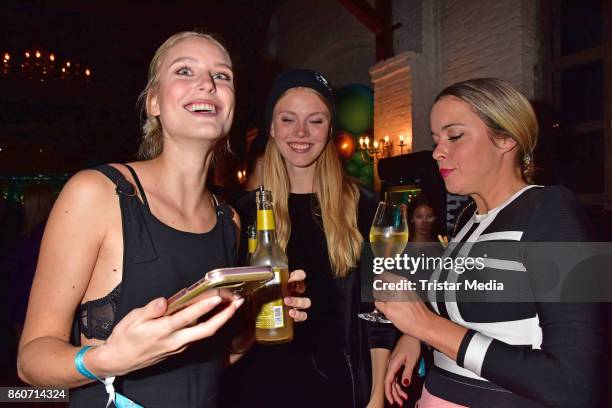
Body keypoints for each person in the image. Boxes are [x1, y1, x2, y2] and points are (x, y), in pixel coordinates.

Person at [17, 31, 310, 408]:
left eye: (222, 76)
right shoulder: (98, 193)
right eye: (185, 71)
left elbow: (212, 361)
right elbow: (30, 361)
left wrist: (260, 318)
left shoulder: (229, 220)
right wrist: (107, 360)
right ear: (153, 101)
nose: (207, 83)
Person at [376, 78, 606, 407]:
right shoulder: (468, 216)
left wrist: (427, 327)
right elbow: (467, 313)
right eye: (437, 139)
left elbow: (574, 384)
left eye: (454, 136)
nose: (438, 151)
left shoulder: (553, 211)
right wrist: (414, 337)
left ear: (506, 138)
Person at [229, 69, 386, 407]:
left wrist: (375, 398)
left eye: (315, 121)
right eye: (288, 119)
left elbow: (379, 312)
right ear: (271, 127)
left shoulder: (365, 208)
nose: (301, 132)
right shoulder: (240, 215)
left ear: (330, 130)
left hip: (341, 389)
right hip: (258, 390)